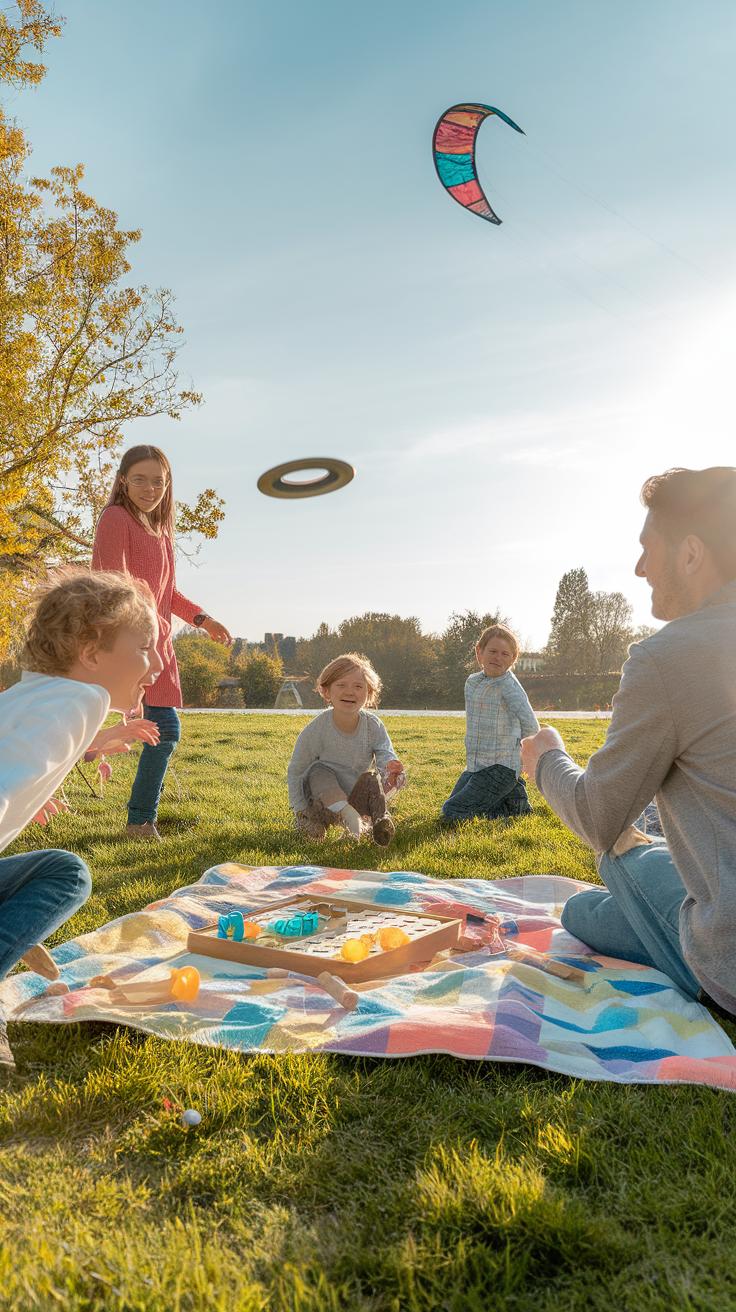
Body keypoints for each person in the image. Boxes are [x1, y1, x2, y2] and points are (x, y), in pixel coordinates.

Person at [521, 467, 736, 1013]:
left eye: (648, 549)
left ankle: (636, 921)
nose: (640, 568)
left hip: (729, 959)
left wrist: (547, 759)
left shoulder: (669, 656)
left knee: (614, 865)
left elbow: (599, 816)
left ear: (690, 554)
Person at [0, 569, 162, 1071]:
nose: (155, 664)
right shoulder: (82, 700)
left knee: (60, 866)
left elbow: (22, 750)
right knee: (69, 875)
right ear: (91, 653)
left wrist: (79, 756)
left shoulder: (29, 695)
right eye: (144, 648)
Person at [92, 444, 232, 841]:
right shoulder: (116, 518)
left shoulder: (162, 531)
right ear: (123, 481)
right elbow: (107, 580)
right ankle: (139, 821)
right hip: (134, 642)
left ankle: (140, 820)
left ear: (167, 485)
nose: (149, 488)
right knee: (165, 729)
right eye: (140, 479)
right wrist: (127, 638)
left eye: (158, 481)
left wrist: (203, 620)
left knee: (162, 731)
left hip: (161, 648)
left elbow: (168, 593)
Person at [287, 653, 405, 846]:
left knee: (372, 778)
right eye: (341, 685)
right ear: (326, 692)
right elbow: (296, 770)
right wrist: (300, 809)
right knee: (318, 772)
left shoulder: (373, 725)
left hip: (354, 798)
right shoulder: (317, 729)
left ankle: (378, 822)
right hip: (320, 803)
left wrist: (391, 768)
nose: (350, 692)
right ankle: (345, 820)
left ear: (369, 694)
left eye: (358, 686)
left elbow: (385, 753)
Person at [440, 624, 539, 825]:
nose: (498, 657)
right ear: (480, 652)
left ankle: (506, 800)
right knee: (453, 801)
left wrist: (521, 759)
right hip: (477, 766)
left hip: (500, 768)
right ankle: (516, 803)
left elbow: (531, 725)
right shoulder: (472, 682)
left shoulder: (509, 687)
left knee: (452, 810)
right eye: (493, 651)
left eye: (505, 654)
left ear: (513, 659)